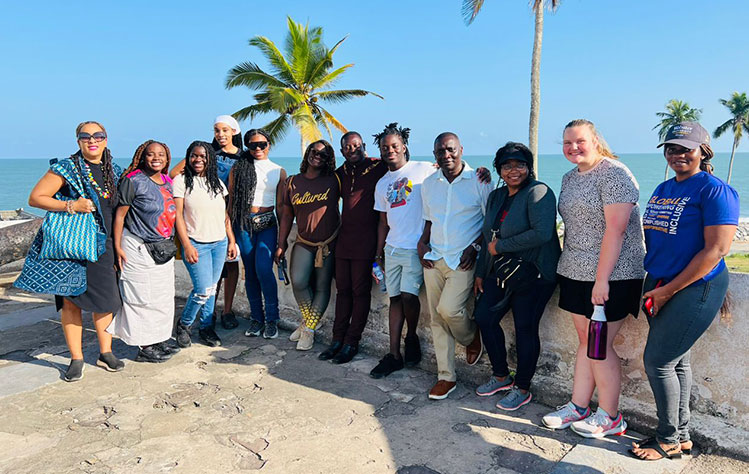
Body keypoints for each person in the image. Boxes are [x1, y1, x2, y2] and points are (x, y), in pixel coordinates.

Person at [630, 122, 739, 461]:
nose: (677, 154)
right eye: (672, 148)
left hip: (695, 287)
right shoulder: (664, 188)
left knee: (658, 361)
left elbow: (716, 251)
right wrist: (656, 286)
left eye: (686, 148)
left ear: (703, 151)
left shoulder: (715, 191)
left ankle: (667, 440)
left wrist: (668, 291)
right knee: (678, 361)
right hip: (660, 281)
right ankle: (682, 434)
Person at [542, 119, 645, 438]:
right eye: (566, 142)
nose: (573, 147)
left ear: (595, 140)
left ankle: (611, 416)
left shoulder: (615, 173)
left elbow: (616, 230)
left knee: (600, 345)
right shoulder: (568, 177)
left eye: (579, 141)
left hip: (613, 275)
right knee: (587, 343)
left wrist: (602, 281)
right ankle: (578, 405)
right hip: (574, 271)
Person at [25, 121, 124, 381]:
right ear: (78, 140)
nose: (92, 140)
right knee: (71, 302)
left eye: (98, 135)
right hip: (72, 245)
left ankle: (105, 352)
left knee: (105, 301)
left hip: (103, 246)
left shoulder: (113, 169)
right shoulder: (65, 168)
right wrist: (71, 205)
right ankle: (76, 358)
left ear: (106, 139)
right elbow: (36, 198)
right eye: (85, 136)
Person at [473, 142, 560, 411]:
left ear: (528, 167)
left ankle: (522, 387)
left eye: (520, 164)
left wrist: (500, 247)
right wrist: (480, 271)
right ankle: (501, 375)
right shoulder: (497, 197)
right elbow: (490, 235)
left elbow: (542, 232)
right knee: (484, 317)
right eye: (507, 165)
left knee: (525, 328)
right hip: (501, 272)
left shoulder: (539, 192)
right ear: (499, 169)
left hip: (534, 274)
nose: (514, 170)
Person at [417, 132, 490, 400]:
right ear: (434, 154)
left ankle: (470, 336)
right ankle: (446, 377)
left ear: (461, 149)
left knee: (449, 309)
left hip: (463, 259)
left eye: (450, 150)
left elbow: (488, 222)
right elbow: (428, 219)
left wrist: (476, 248)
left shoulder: (480, 181)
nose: (446, 155)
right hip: (433, 257)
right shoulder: (429, 183)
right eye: (440, 151)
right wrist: (421, 245)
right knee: (437, 319)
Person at [369, 123, 435, 378]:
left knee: (409, 296)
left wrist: (481, 172)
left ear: (404, 146)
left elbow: (455, 172)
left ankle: (411, 336)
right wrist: (378, 255)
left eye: (394, 146)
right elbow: (383, 223)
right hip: (392, 248)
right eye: (385, 148)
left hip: (414, 248)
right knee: (394, 299)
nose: (390, 151)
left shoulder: (423, 168)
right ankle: (394, 355)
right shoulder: (382, 183)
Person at [318, 131, 388, 364]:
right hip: (344, 241)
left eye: (356, 145)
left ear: (363, 145)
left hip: (367, 241)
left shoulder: (379, 167)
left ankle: (351, 342)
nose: (352, 149)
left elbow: (409, 168)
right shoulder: (341, 173)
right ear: (342, 152)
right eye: (347, 147)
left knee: (360, 293)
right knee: (343, 292)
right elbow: (318, 184)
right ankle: (336, 340)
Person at [170, 115, 243, 329]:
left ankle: (225, 311)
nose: (220, 134)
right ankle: (203, 317)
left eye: (225, 130)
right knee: (210, 280)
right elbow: (175, 173)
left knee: (231, 267)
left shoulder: (243, 157)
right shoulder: (206, 152)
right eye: (217, 130)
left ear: (234, 132)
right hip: (199, 216)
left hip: (226, 216)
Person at [112, 140, 178, 363]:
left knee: (162, 297)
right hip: (137, 246)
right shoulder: (133, 181)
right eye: (151, 154)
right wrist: (117, 247)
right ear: (143, 157)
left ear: (167, 158)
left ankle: (158, 339)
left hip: (162, 248)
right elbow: (120, 215)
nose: (156, 158)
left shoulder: (167, 181)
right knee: (141, 297)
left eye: (161, 154)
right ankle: (144, 346)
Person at [275, 140, 341, 350]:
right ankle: (310, 322)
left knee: (322, 287)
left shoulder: (334, 180)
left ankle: (309, 329)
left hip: (328, 243)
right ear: (307, 153)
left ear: (328, 159)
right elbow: (286, 215)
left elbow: (360, 169)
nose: (317, 157)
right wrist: (281, 243)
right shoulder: (293, 182)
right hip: (303, 241)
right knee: (299, 281)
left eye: (323, 155)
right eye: (314, 152)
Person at [230, 129, 286, 339]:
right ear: (247, 147)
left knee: (264, 268)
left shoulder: (278, 171)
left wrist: (282, 241)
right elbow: (232, 203)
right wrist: (230, 235)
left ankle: (272, 319)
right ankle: (257, 318)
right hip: (244, 224)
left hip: (267, 225)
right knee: (250, 273)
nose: (258, 149)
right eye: (253, 145)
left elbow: (281, 206)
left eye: (262, 144)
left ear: (269, 144)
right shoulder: (240, 168)